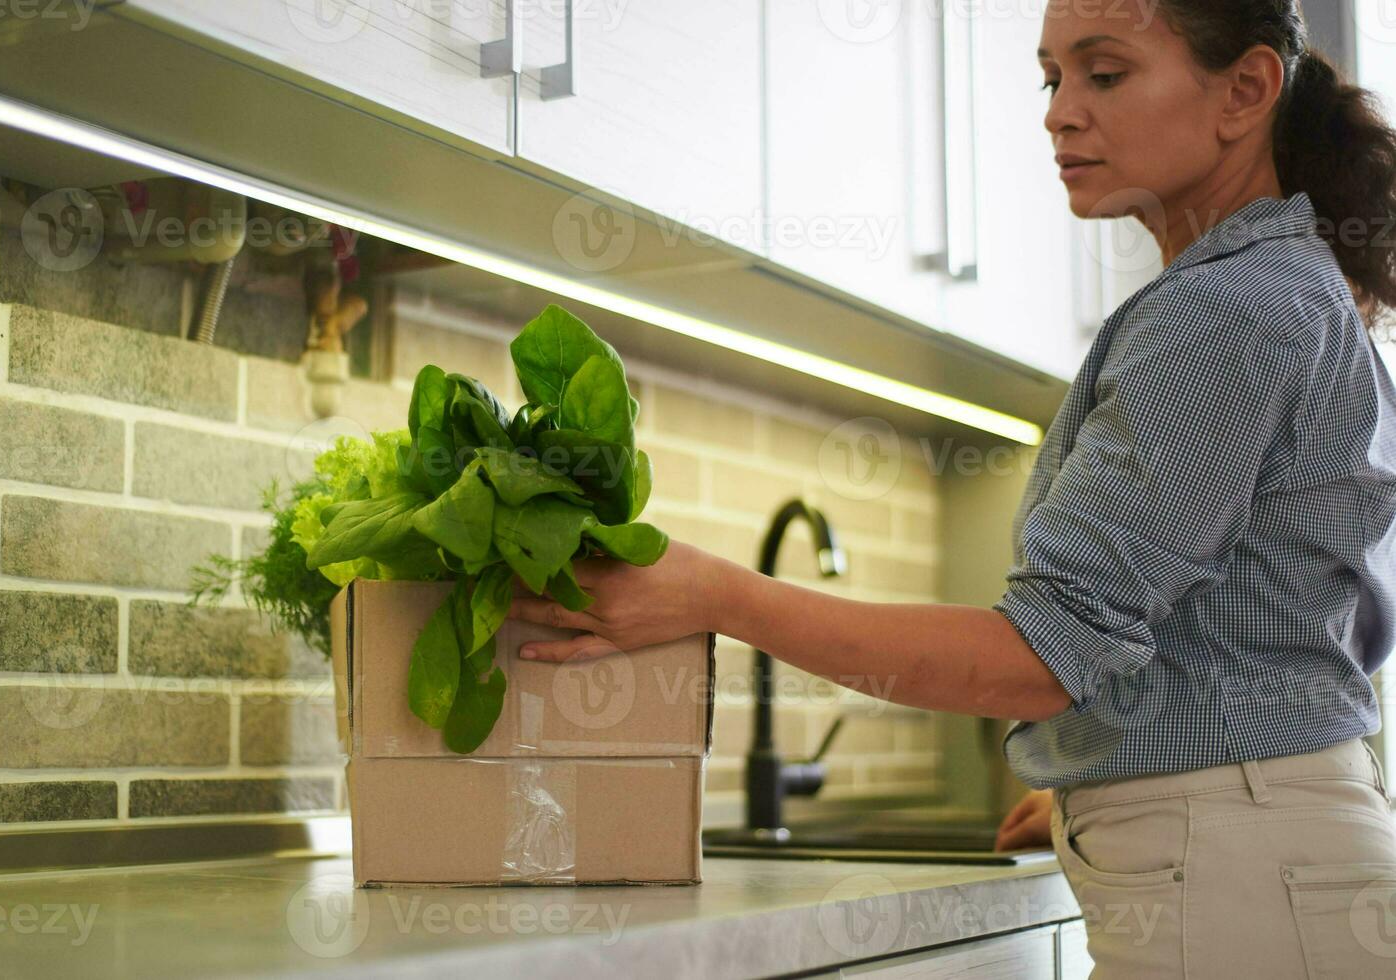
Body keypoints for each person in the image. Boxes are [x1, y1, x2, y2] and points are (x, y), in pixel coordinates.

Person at [506, 1, 1396, 975]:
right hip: (1255, 856)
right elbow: (1237, 628)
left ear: (1245, 90)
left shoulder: (1227, 309)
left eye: (1103, 74)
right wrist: (1107, 776)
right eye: (1049, 78)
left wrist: (719, 593)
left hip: (1241, 875)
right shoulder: (1272, 289)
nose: (1059, 113)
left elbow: (1037, 656)